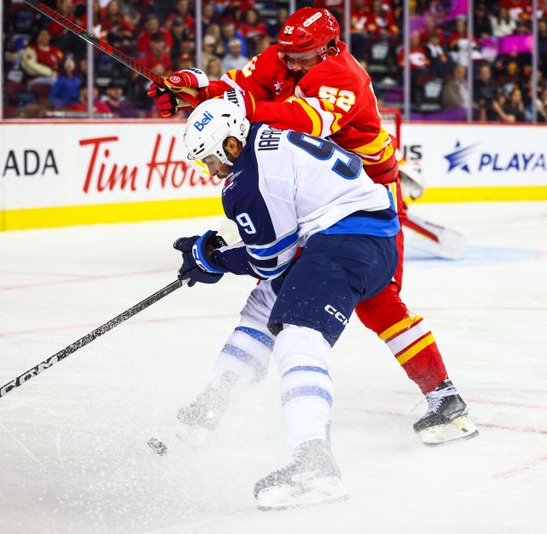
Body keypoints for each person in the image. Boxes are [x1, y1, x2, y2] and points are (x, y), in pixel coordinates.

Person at [150, 8, 477, 447]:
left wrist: (222, 259)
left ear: (328, 46)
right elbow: (237, 91)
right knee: (282, 292)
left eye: (302, 56)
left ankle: (441, 396)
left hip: (364, 199)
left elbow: (301, 120)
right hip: (313, 197)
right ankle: (213, 403)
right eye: (287, 53)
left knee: (374, 299)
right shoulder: (284, 56)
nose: (291, 63)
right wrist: (196, 87)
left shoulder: (345, 76)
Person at [175, 98, 399, 509]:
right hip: (350, 235)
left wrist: (214, 258)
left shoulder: (247, 178)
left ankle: (315, 465)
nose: (210, 171)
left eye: (209, 159)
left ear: (229, 143)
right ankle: (210, 406)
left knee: (298, 336)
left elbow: (268, 259)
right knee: (262, 307)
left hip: (350, 240)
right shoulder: (257, 139)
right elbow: (275, 254)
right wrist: (219, 255)